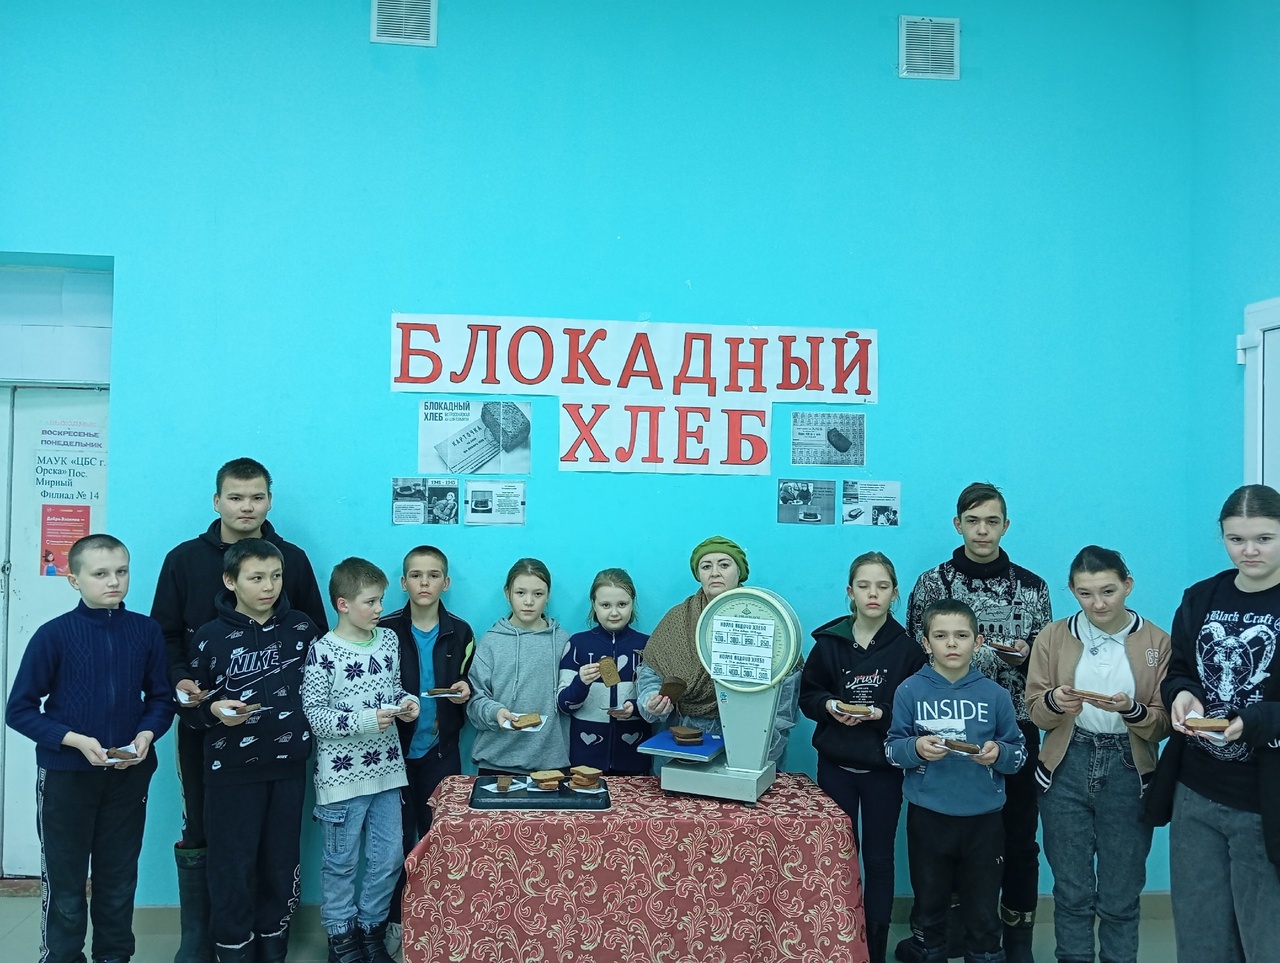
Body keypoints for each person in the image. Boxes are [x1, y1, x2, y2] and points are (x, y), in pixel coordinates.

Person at [152, 457, 328, 963]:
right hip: (204, 723)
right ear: (217, 502)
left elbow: (316, 639)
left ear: (269, 500)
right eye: (235, 497)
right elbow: (164, 634)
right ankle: (202, 936)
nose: (246, 506)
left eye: (256, 497)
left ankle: (267, 938)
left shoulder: (292, 560)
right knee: (207, 826)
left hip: (281, 738)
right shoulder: (184, 560)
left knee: (275, 843)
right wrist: (183, 683)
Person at [900, 482, 1051, 963]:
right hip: (945, 728)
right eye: (972, 520)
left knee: (1019, 839)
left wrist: (1027, 654)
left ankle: (1016, 941)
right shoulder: (931, 584)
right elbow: (915, 653)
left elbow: (1046, 664)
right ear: (957, 524)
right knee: (948, 839)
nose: (982, 530)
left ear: (1006, 526)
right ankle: (952, 936)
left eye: (991, 521)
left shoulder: (1033, 587)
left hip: (1013, 729)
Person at [6, 534, 174, 963]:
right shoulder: (54, 635)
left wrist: (146, 735)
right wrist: (76, 741)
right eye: (100, 573)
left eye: (121, 571)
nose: (113, 581)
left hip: (128, 776)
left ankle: (114, 956)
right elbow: (20, 710)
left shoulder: (146, 631)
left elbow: (161, 698)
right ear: (74, 580)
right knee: (65, 883)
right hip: (66, 778)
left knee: (118, 878)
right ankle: (61, 957)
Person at [1144, 485, 1280, 962]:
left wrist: (1254, 720)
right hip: (1196, 791)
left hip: (1263, 799)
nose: (1249, 551)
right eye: (1236, 539)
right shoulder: (1202, 597)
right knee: (1200, 935)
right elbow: (1180, 669)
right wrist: (1182, 694)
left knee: (1266, 938)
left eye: (1264, 539)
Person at [1025, 546, 1171, 963]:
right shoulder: (1054, 636)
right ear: (1072, 590)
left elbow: (1163, 724)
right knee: (1071, 891)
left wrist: (1132, 710)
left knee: (1121, 894)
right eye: (1085, 593)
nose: (1098, 603)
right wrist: (1055, 702)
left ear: (1128, 585)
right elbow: (1035, 711)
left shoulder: (1157, 641)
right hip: (1066, 764)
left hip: (1129, 767)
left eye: (1108, 591)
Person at [185, 538, 321, 963]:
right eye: (256, 578)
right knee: (232, 867)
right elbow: (190, 709)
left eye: (275, 576)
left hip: (288, 768)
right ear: (231, 581)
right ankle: (233, 949)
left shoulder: (302, 629)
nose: (268, 586)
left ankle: (273, 947)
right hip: (230, 773)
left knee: (280, 864)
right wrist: (212, 710)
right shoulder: (209, 637)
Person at [798, 552, 927, 963]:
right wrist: (830, 706)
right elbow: (808, 696)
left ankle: (875, 949)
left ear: (895, 594)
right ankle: (838, 945)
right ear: (850, 592)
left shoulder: (908, 650)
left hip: (883, 770)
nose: (873, 593)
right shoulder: (829, 642)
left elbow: (915, 710)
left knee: (878, 858)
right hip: (835, 767)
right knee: (837, 857)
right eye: (864, 585)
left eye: (882, 586)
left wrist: (878, 714)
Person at [886, 599, 1027, 963]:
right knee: (929, 903)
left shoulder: (995, 695)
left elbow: (1018, 754)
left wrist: (998, 753)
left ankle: (985, 954)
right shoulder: (909, 691)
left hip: (984, 820)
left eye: (961, 636)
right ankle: (928, 951)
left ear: (977, 642)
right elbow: (892, 749)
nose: (951, 643)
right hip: (928, 817)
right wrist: (916, 748)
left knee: (982, 909)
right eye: (941, 636)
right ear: (926, 642)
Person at [303, 558, 419, 963]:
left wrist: (407, 703)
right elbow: (316, 717)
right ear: (343, 604)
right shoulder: (323, 652)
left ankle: (371, 931)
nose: (379, 609)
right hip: (341, 780)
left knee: (389, 859)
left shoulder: (388, 641)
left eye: (381, 600)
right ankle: (341, 940)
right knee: (341, 863)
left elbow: (395, 688)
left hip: (387, 772)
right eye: (370, 601)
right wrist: (366, 720)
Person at [379, 544, 474, 948]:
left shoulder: (462, 631)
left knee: (440, 837)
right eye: (416, 575)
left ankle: (438, 918)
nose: (424, 582)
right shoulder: (385, 628)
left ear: (445, 583)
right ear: (403, 583)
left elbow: (470, 682)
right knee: (396, 841)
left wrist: (465, 691)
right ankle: (397, 918)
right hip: (392, 753)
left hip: (441, 751)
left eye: (433, 575)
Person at [637, 536, 802, 764]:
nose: (715, 573)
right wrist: (652, 700)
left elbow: (787, 685)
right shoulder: (677, 620)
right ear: (698, 575)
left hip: (752, 737)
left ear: (739, 572)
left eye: (724, 565)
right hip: (686, 742)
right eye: (706, 566)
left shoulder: (767, 616)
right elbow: (651, 671)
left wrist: (765, 749)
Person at [466, 558, 571, 774]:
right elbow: (474, 700)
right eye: (520, 593)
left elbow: (573, 698)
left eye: (538, 594)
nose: (529, 601)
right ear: (508, 593)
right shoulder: (491, 642)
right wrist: (495, 712)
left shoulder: (563, 641)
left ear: (548, 595)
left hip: (551, 766)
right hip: (496, 762)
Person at [557, 568, 652, 775]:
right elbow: (563, 705)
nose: (614, 612)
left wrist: (635, 708)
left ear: (632, 603)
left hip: (635, 759)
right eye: (606, 605)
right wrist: (581, 682)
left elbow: (657, 702)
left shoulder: (647, 645)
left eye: (622, 604)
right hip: (584, 760)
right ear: (594, 605)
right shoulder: (577, 644)